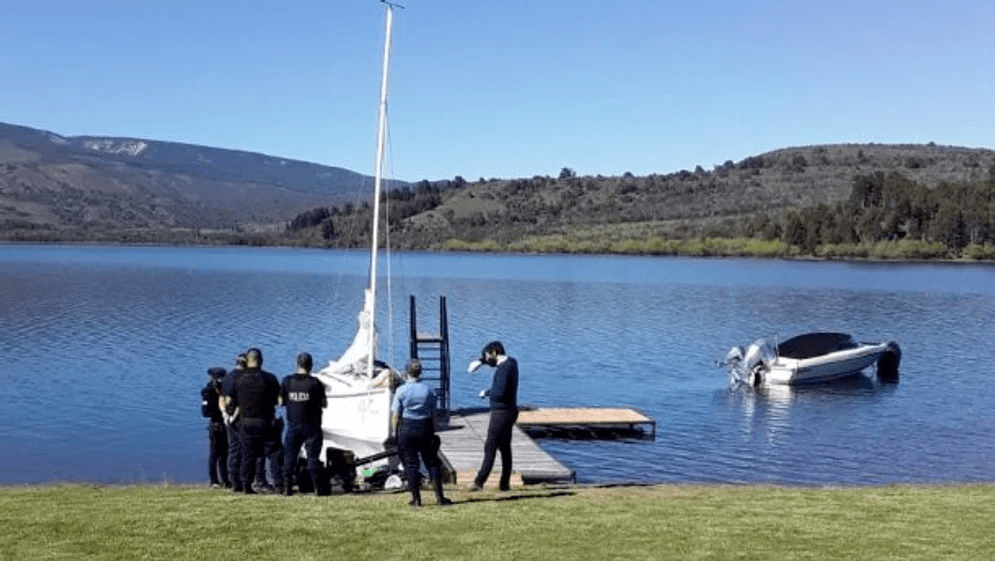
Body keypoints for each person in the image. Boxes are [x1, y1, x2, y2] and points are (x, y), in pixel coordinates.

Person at [391, 358, 451, 507]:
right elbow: (433, 413)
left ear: (406, 373)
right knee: (431, 462)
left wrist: (395, 432)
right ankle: (439, 497)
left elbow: (395, 415)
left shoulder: (401, 390)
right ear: (420, 373)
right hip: (425, 426)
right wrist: (434, 430)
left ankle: (416, 499)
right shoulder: (429, 390)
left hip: (407, 427)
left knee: (411, 464)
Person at [227, 347, 281, 494]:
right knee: (274, 453)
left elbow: (229, 402)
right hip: (265, 421)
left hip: (246, 422)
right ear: (261, 361)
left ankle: (246, 486)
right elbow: (278, 400)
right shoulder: (269, 378)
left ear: (247, 361)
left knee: (247, 455)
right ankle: (278, 484)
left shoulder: (238, 379)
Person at [468, 341, 519, 492]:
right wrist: (481, 361)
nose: (487, 360)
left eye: (487, 356)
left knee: (490, 446)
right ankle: (504, 483)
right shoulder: (512, 363)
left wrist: (487, 393)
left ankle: (479, 482)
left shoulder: (504, 369)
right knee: (505, 448)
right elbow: (502, 384)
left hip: (501, 413)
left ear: (495, 354)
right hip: (509, 411)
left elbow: (500, 392)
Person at [281, 352, 327, 496]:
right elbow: (324, 403)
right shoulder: (315, 383)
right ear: (311, 366)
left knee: (290, 456)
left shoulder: (287, 381)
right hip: (311, 426)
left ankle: (287, 488)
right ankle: (318, 489)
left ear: (297, 364)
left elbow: (281, 401)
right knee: (312, 457)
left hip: (293, 425)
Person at [219, 353, 247, 492]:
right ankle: (244, 481)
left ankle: (233, 480)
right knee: (244, 450)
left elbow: (222, 398)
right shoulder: (245, 378)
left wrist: (225, 415)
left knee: (233, 449)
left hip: (229, 419)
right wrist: (235, 415)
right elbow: (244, 401)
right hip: (241, 418)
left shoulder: (227, 378)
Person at [201, 366, 230, 488]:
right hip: (216, 425)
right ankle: (214, 481)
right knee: (214, 454)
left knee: (224, 454)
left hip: (225, 425)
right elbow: (205, 412)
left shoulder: (226, 390)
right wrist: (221, 412)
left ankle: (225, 480)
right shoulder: (208, 392)